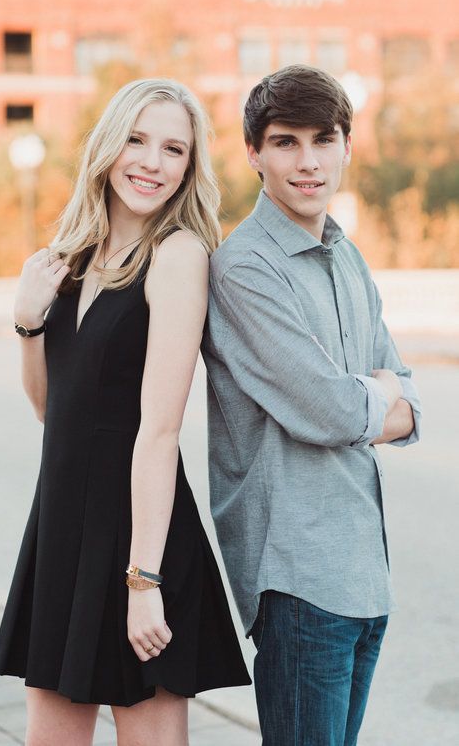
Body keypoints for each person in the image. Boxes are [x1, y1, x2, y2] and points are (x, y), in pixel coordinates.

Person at [0, 78, 250, 746]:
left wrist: (144, 580)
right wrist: (27, 323)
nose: (151, 162)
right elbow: (55, 411)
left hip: (143, 538)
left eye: (173, 149)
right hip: (63, 530)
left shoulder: (177, 255)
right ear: (107, 146)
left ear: (190, 168)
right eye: (136, 139)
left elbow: (160, 432)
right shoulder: (71, 260)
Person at [202, 64, 422, 746]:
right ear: (253, 154)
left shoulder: (347, 256)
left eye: (323, 140)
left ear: (346, 146)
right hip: (299, 583)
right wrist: (376, 393)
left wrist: (381, 396)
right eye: (285, 142)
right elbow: (331, 411)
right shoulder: (244, 267)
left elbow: (412, 403)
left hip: (363, 572)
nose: (308, 161)